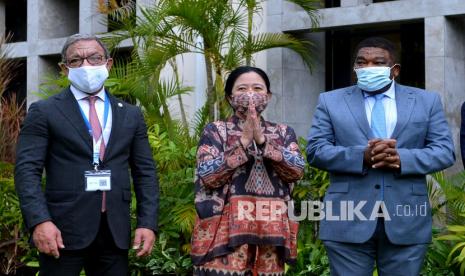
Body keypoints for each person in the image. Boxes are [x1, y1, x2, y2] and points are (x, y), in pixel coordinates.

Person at [306, 37, 455, 275]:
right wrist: (361, 156)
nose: (368, 68)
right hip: (346, 219)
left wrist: (400, 159)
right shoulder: (330, 101)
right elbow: (315, 150)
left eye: (377, 62)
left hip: (406, 219)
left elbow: (444, 152)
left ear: (394, 70)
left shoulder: (426, 101)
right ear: (355, 69)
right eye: (361, 63)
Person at [15, 34, 159, 275]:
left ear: (108, 64)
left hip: (114, 231)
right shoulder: (45, 111)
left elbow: (145, 173)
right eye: (76, 60)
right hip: (61, 231)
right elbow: (26, 171)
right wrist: (40, 221)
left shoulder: (131, 114)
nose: (87, 66)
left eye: (95, 58)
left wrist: (147, 222)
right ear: (64, 69)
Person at [190, 66, 305, 275]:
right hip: (222, 238)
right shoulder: (215, 130)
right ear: (229, 97)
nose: (251, 94)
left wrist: (262, 141)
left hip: (271, 237)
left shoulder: (283, 132)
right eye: (242, 88)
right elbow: (208, 176)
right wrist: (243, 141)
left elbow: (296, 170)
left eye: (258, 88)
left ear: (268, 96)